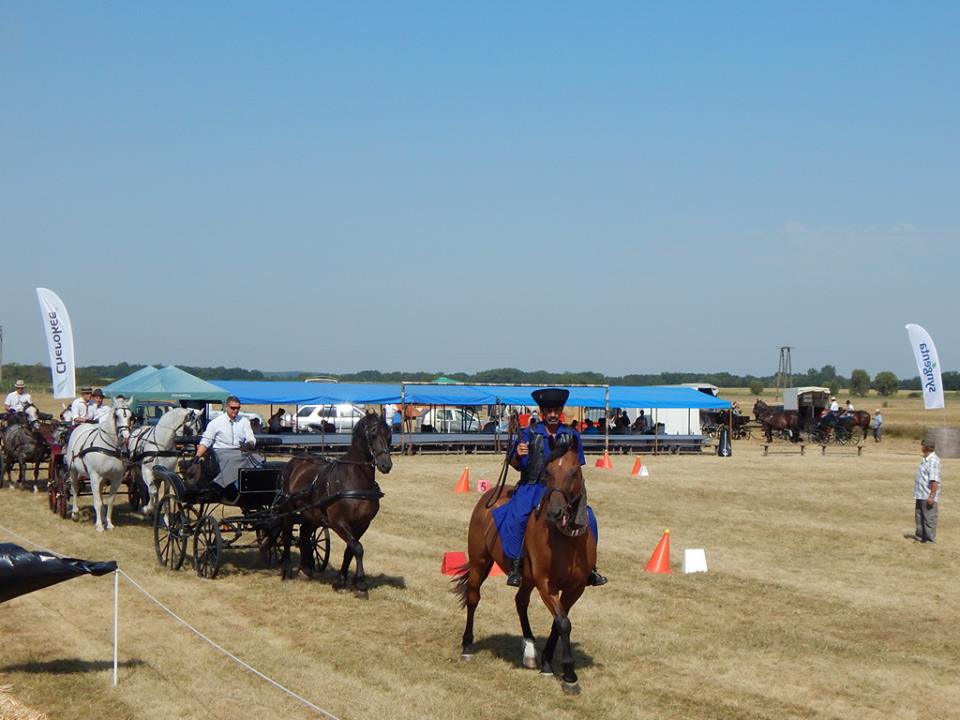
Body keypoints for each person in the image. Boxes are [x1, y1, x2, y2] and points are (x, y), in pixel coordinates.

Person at [492, 387, 606, 588]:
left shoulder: (571, 435)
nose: (553, 414)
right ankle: (517, 565)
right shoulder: (529, 434)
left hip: (562, 488)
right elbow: (515, 463)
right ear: (542, 412)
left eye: (556, 410)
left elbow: (577, 466)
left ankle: (590, 567)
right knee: (518, 517)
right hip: (532, 487)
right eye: (549, 411)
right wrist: (518, 453)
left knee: (589, 518)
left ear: (560, 411)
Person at [193, 396, 260, 494]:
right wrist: (197, 457)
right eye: (233, 408)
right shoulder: (215, 423)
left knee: (257, 458)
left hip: (241, 451)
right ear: (226, 407)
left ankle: (256, 487)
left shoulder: (244, 421)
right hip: (222, 452)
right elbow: (205, 442)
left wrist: (249, 444)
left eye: (238, 408)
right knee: (235, 459)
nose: (236, 410)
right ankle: (224, 485)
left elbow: (251, 438)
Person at [913, 439, 941, 543]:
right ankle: (920, 537)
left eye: (922, 445)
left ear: (926, 447)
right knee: (919, 517)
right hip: (920, 494)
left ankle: (929, 540)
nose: (921, 447)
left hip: (927, 495)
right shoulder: (925, 459)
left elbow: (934, 481)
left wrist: (931, 496)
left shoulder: (933, 461)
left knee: (929, 519)